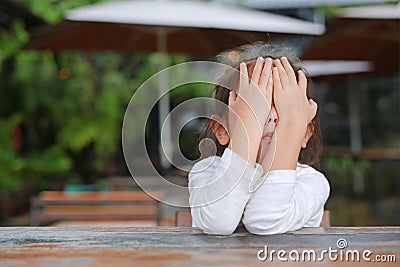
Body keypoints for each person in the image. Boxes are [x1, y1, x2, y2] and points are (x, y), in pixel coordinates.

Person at [188, 42, 330, 235]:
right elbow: (218, 223)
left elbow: (265, 220)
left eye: (282, 105)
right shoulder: (206, 172)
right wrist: (248, 128)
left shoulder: (311, 182)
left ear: (303, 133)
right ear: (222, 130)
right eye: (255, 104)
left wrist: (289, 125)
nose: (270, 115)